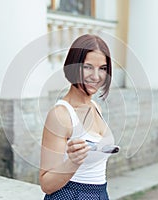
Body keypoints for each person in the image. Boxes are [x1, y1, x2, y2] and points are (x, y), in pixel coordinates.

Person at [39, 34, 116, 200]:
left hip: (100, 194)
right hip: (70, 195)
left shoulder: (96, 108)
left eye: (102, 68)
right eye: (87, 67)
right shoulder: (60, 115)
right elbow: (46, 184)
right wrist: (73, 161)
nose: (96, 76)